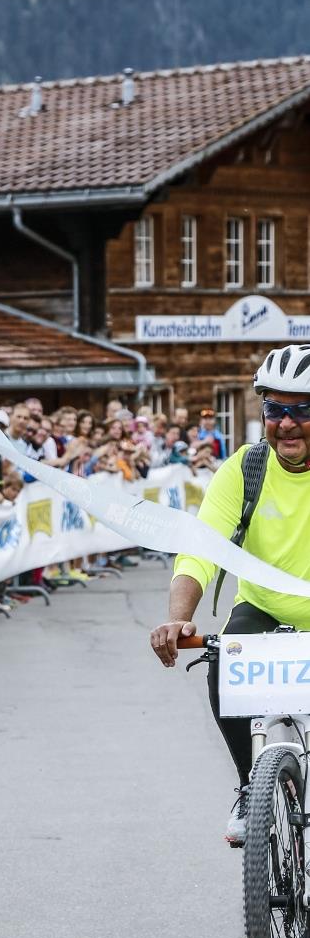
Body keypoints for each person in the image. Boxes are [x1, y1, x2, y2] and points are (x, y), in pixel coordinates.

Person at [151, 345, 310, 846]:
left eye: (303, 410)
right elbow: (199, 551)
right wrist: (179, 618)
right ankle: (250, 785)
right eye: (275, 410)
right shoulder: (246, 469)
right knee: (225, 661)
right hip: (262, 606)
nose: (287, 424)